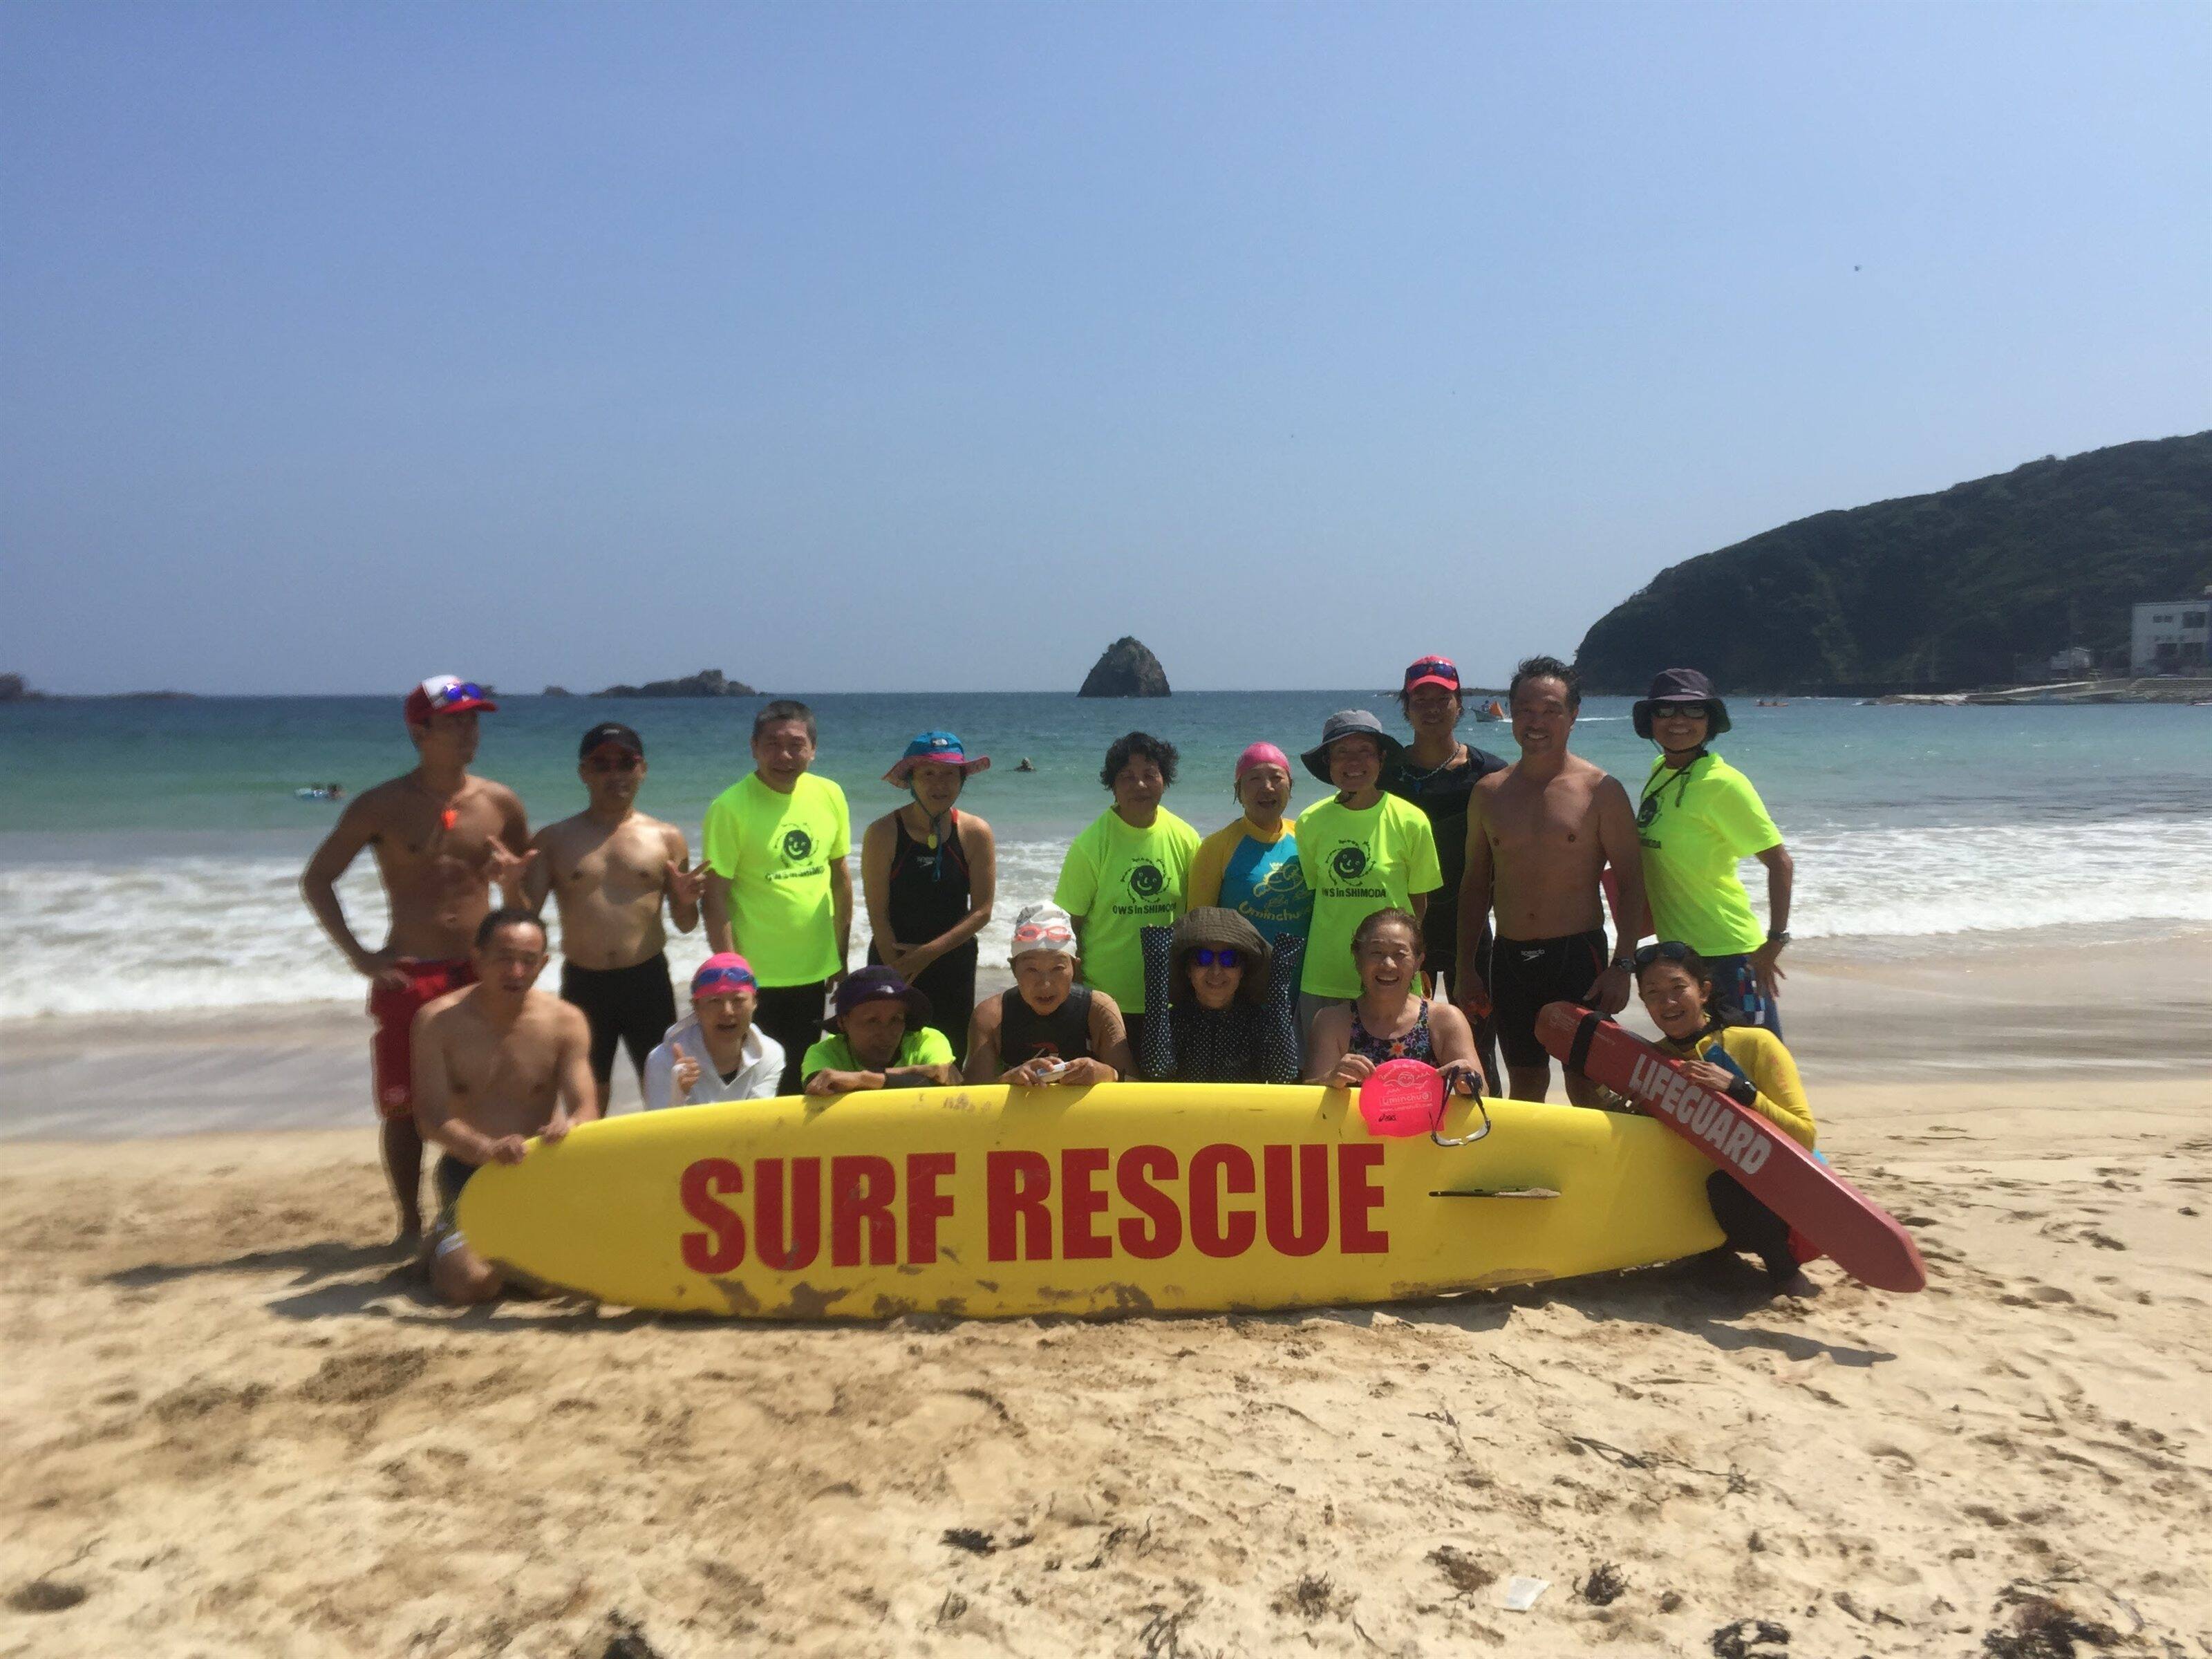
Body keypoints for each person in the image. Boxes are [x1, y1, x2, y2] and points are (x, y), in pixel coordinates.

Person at [300, 675, 532, 1244]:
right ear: (419, 732)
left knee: (486, 1098)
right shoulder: (381, 805)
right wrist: (360, 956)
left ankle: (481, 1214)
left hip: (479, 973)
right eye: (455, 722)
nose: (469, 732)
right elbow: (319, 879)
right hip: (412, 971)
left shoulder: (500, 803)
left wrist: (510, 889)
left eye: (474, 721)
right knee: (404, 1107)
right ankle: (409, 1223)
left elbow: (525, 906)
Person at [1454, 657, 1648, 1107]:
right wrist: (1466, 968)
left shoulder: (1600, 790)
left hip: (1578, 958)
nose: (1536, 722)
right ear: (1511, 713)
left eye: (1550, 710)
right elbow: (1475, 886)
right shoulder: (1489, 793)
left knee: (1586, 1084)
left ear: (1573, 714)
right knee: (1525, 1084)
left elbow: (1632, 882)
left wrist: (1623, 965)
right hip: (1510, 959)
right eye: (1525, 710)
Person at [411, 909, 596, 1304]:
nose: (516, 972)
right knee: (471, 1285)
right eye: (504, 959)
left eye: (529, 961)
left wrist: (571, 1127)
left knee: (557, 1282)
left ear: (543, 963)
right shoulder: (437, 1022)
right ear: (477, 958)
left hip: (539, 1172)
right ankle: (444, 1240)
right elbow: (431, 1119)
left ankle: (502, 1250)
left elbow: (586, 1108)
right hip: (469, 1173)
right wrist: (485, 1149)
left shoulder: (566, 1022)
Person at [525, 722, 705, 1115]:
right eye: (601, 764)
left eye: (626, 763)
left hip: (647, 980)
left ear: (642, 769)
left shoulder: (666, 837)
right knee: (587, 1098)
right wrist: (508, 885)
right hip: (584, 982)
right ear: (583, 772)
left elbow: (686, 923)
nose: (615, 773)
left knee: (662, 1090)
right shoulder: (554, 840)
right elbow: (524, 918)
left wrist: (687, 900)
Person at [1633, 941, 1817, 1295]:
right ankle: (1711, 1252)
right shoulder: (1653, 1060)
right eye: (1653, 993)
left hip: (1782, 1202)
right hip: (1708, 1199)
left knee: (1727, 1184)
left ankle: (1785, 1274)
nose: (1667, 1002)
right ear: (1643, 1001)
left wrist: (1739, 1089)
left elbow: (1805, 1137)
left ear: (1703, 991)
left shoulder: (1756, 1043)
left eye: (1678, 988)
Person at [1630, 669, 1795, 1035]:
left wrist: (1775, 941)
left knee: (1755, 1061)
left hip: (1731, 953)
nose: (1678, 721)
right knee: (1701, 1063)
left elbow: (1780, 862)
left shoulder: (1723, 784)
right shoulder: (1660, 771)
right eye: (1665, 710)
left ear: (1711, 721)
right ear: (1650, 720)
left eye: (1694, 710)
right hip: (1679, 955)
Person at [702, 700, 852, 1094]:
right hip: (754, 977)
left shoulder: (830, 794)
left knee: (800, 1080)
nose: (784, 756)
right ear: (754, 747)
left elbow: (840, 879)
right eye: (772, 744)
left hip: (813, 969)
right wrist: (731, 974)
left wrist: (840, 955)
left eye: (796, 745)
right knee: (750, 1084)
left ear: (813, 750)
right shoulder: (729, 807)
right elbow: (714, 897)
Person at [1382, 656, 1508, 1078]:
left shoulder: (1491, 774)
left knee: (1478, 1052)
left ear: (1459, 704)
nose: (1432, 708)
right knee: (1401, 1049)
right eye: (1421, 700)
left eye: (1443, 699)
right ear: (1406, 707)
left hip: (1470, 933)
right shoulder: (1386, 773)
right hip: (1401, 931)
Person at [1292, 711, 1441, 1040]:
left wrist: (1411, 963)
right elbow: (1317, 892)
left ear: (1381, 759)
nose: (1353, 762)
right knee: (1322, 1070)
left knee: (1396, 1071)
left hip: (1392, 975)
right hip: (1326, 974)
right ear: (1328, 762)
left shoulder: (1411, 820)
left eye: (1364, 751)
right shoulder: (1309, 822)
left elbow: (1418, 904)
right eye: (1341, 752)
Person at [1053, 732, 1199, 1058]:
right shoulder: (1090, 845)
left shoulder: (1186, 838)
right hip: (1104, 1002)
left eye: (1150, 774)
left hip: (1170, 1000)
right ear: (1113, 785)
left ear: (1165, 780)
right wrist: (1074, 998)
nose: (1140, 785)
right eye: (1127, 777)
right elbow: (1067, 926)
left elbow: (1197, 919)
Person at [861, 731, 996, 1069]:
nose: (940, 784)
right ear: (911, 779)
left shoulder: (975, 832)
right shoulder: (883, 832)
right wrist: (897, 970)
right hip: (893, 957)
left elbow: (982, 911)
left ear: (962, 779)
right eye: (928, 773)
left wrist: (926, 955)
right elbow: (877, 913)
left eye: (950, 773)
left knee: (947, 1062)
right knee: (885, 1058)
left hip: (953, 963)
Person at [1306, 909, 1484, 1094]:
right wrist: (1329, 1080)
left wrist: (1469, 1083)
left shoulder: (1444, 1020)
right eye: (1376, 952)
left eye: (1400, 954)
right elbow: (1308, 1099)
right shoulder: (1332, 1022)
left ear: (1418, 962)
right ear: (1358, 959)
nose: (1388, 964)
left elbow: (1483, 1094)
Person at [965, 902, 1134, 1085]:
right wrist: (1008, 1080)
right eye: (1032, 969)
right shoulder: (991, 1016)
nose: (1045, 984)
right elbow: (969, 1095)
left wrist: (1109, 1074)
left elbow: (1136, 1087)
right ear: (1014, 969)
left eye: (1057, 968)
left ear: (1074, 967)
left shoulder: (1098, 1010)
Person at [1135, 908, 1304, 1084]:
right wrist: (1157, 972)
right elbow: (1157, 1070)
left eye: (1229, 959)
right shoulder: (1172, 1022)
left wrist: (1279, 985)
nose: (1216, 971)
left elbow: (1283, 1074)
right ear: (1188, 970)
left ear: (1242, 971)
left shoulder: (1259, 1022)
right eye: (1203, 958)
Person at [1186, 743, 1313, 946]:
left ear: (1290, 786)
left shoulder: (1306, 837)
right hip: (1243, 966)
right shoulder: (1216, 846)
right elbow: (1198, 929)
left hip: (1307, 966)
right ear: (1238, 791)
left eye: (1276, 777)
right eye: (1255, 779)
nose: (1267, 787)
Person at [643, 953, 785, 1108]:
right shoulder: (663, 1059)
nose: (727, 1011)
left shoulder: (770, 1054)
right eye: (715, 1001)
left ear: (754, 1003)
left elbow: (758, 1119)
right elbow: (661, 1124)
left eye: (738, 1000)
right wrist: (679, 1095)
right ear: (696, 1007)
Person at [798, 966, 963, 1094]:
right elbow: (821, 1086)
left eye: (896, 1019)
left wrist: (863, 1079)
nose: (886, 1033)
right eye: (872, 1021)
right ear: (842, 1022)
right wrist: (914, 1071)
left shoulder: (926, 1041)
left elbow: (945, 1081)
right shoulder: (824, 1053)